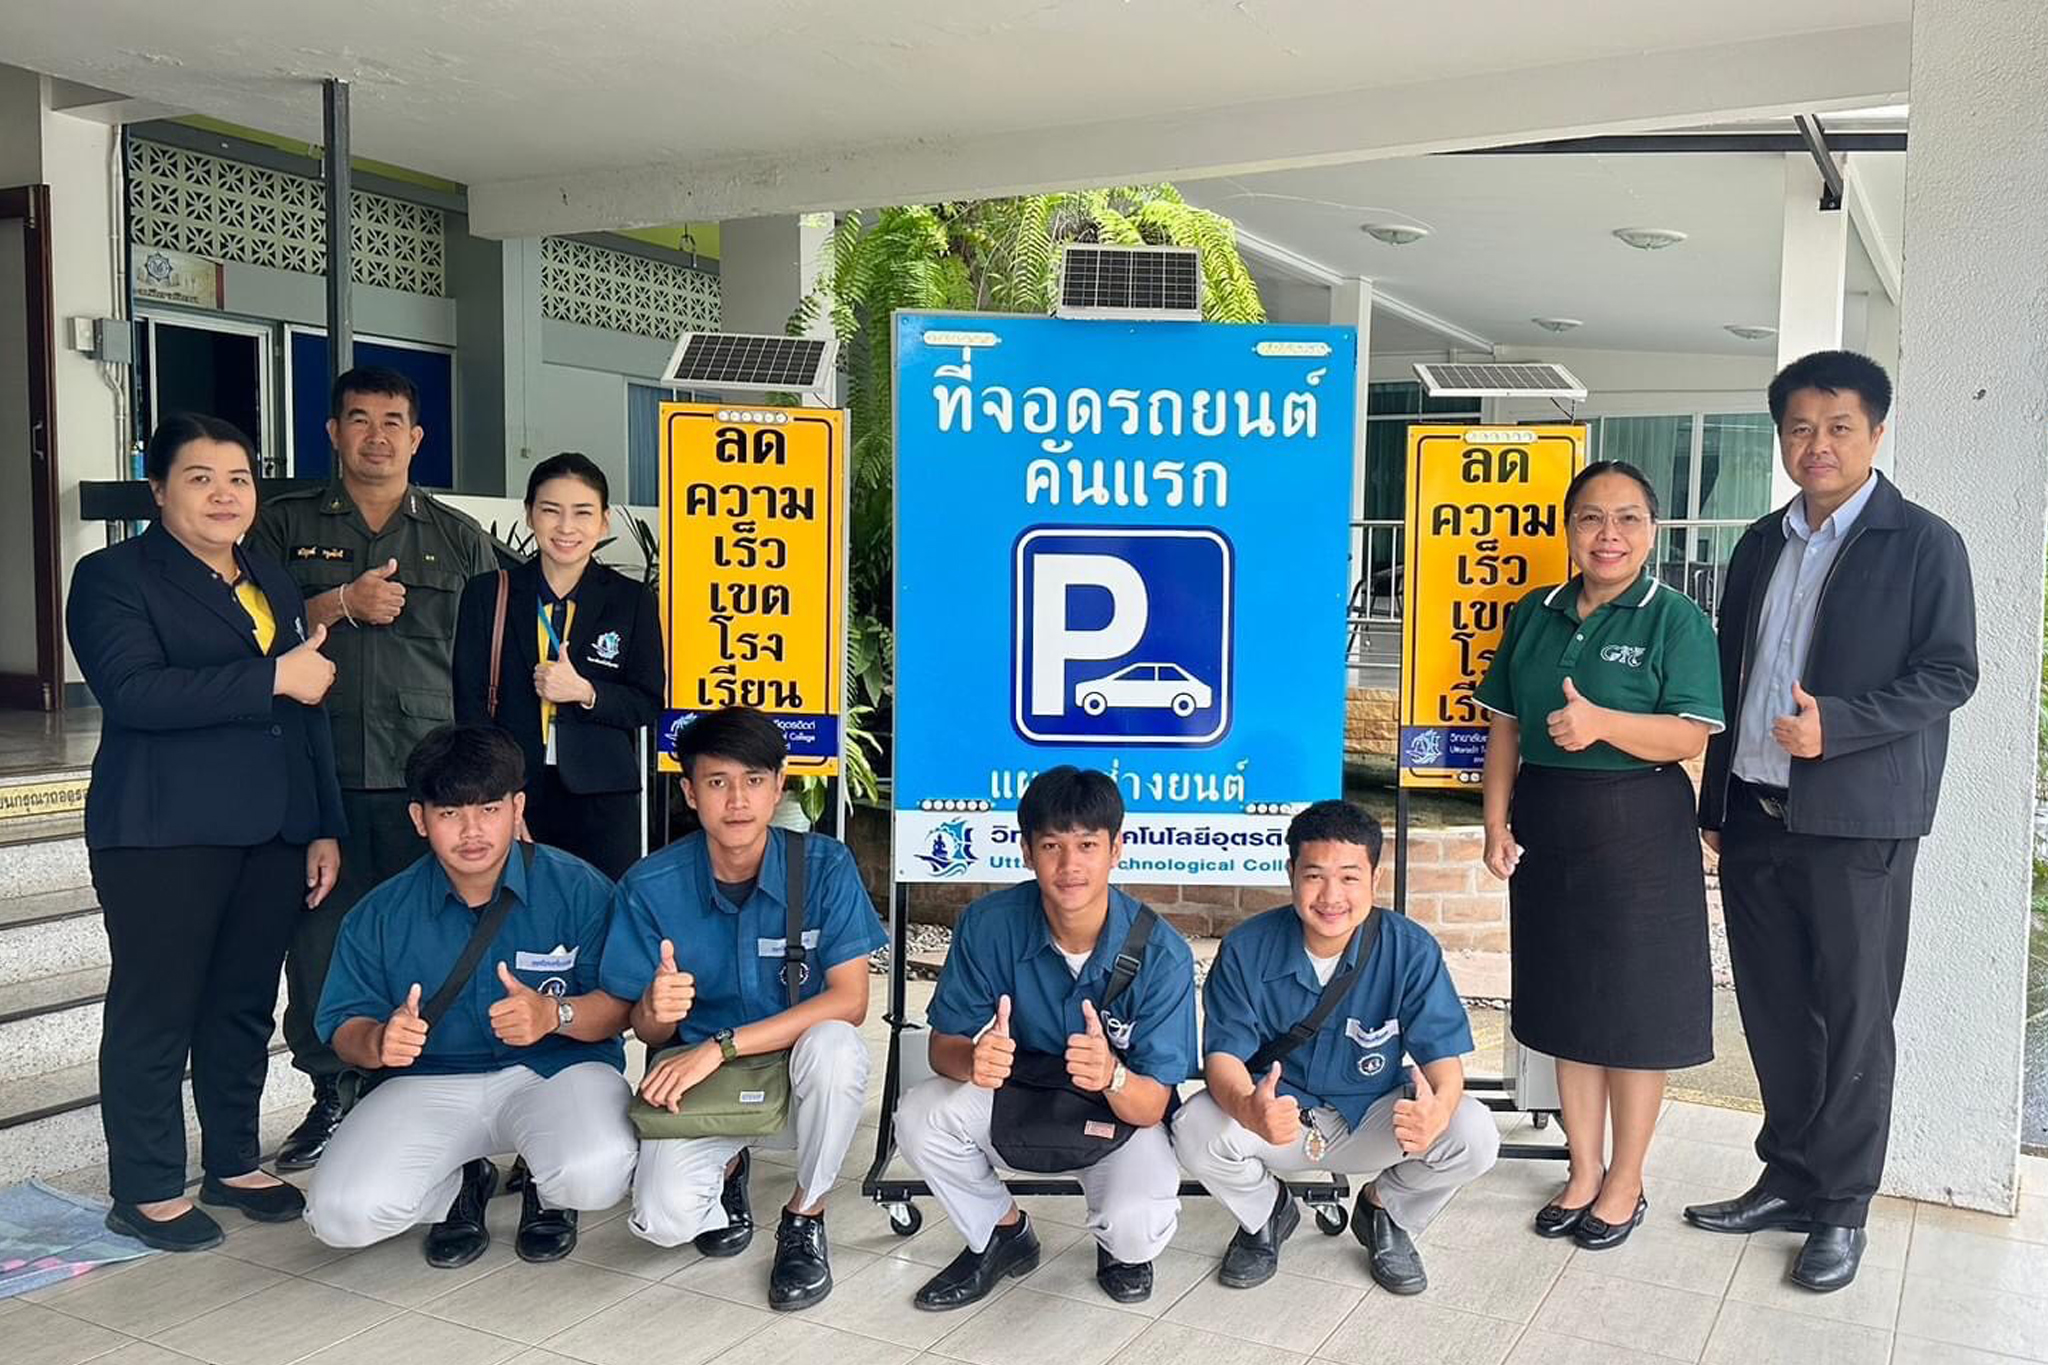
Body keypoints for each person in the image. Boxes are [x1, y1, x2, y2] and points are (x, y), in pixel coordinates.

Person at [1685, 351, 1977, 1293]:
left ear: (1877, 433)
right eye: (1800, 428)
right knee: (1772, 1009)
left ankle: (1842, 1205)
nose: (1818, 444)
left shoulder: (1923, 542)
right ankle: (1789, 1174)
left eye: (1839, 426)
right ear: (1782, 438)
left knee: (1854, 1016)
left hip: (1858, 820)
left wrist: (1837, 727)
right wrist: (1716, 798)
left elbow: (1950, 672)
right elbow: (1732, 678)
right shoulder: (1762, 542)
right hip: (1757, 814)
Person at [65, 413, 345, 1252]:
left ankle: (232, 1158)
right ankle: (146, 1186)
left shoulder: (269, 577)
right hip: (163, 829)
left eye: (239, 479)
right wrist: (273, 675)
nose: (225, 495)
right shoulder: (113, 576)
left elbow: (308, 712)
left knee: (241, 1003)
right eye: (200, 478)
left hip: (273, 827)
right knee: (158, 1007)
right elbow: (134, 694)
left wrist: (323, 824)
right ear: (158, 490)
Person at [248, 365, 500, 1171]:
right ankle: (333, 1096)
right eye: (360, 419)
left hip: (430, 793)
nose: (378, 436)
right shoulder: (281, 529)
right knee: (320, 946)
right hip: (317, 780)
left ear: (417, 437)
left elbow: (490, 671)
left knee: (437, 940)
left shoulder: (461, 540)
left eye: (394, 421)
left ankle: (440, 1093)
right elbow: (245, 630)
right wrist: (336, 605)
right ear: (333, 432)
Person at [1472, 460, 1724, 1252]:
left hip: (1640, 819)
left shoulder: (1676, 618)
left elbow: (1691, 735)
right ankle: (1582, 1169)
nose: (1607, 535)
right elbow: (1506, 725)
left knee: (1636, 1011)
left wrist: (1605, 722)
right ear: (1570, 528)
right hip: (1549, 817)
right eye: (1590, 517)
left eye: (1627, 519)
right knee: (1570, 1002)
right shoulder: (1535, 612)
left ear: (1652, 530)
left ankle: (1626, 1178)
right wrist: (1494, 820)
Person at [304, 725, 636, 1265]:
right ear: (419, 819)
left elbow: (622, 1007)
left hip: (555, 1072)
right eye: (450, 813)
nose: (472, 830)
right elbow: (345, 1026)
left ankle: (545, 1191)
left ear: (517, 807)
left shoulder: (579, 889)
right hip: (429, 1081)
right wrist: (379, 1041)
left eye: (488, 809)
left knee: (595, 1173)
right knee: (342, 1215)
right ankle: (460, 1184)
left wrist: (555, 1013)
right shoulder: (381, 913)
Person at [599, 706, 883, 1312]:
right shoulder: (650, 885)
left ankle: (806, 1213)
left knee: (836, 1048)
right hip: (706, 1086)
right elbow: (644, 1027)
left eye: (754, 780)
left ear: (780, 786)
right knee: (662, 1222)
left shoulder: (824, 865)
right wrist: (655, 1007)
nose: (737, 800)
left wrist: (720, 1045)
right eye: (717, 781)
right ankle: (728, 1166)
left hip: (794, 1069)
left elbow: (850, 1000)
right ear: (689, 792)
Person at [895, 766, 1197, 1310]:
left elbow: (1151, 1103)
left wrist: (1110, 1073)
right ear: (1027, 851)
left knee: (1136, 1229)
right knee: (919, 1115)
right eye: (1052, 845)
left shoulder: (1163, 952)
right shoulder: (989, 924)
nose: (1070, 865)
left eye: (1087, 845)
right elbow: (944, 1047)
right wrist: (974, 1061)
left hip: (1120, 1107)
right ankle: (1003, 1234)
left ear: (1117, 849)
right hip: (1026, 1086)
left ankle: (1115, 1245)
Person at [1175, 799, 1497, 1294]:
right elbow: (1223, 1057)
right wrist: (1248, 1106)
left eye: (1349, 877)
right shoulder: (1245, 947)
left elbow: (1442, 1060)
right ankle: (1266, 1214)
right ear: (1290, 873)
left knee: (1473, 1132)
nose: (1331, 896)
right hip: (1281, 1119)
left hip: (1372, 1114)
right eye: (1314, 875)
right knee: (1195, 1126)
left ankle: (1385, 1210)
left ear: (1374, 877)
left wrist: (1439, 1109)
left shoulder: (1408, 948)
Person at [453, 452, 662, 879]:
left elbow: (647, 702)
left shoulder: (630, 599)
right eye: (551, 511)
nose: (566, 528)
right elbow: (470, 705)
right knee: (517, 915)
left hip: (603, 796)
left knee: (601, 918)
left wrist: (585, 692)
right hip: (515, 792)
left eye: (582, 513)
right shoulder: (489, 593)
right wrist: (499, 798)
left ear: (603, 522)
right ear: (530, 515)